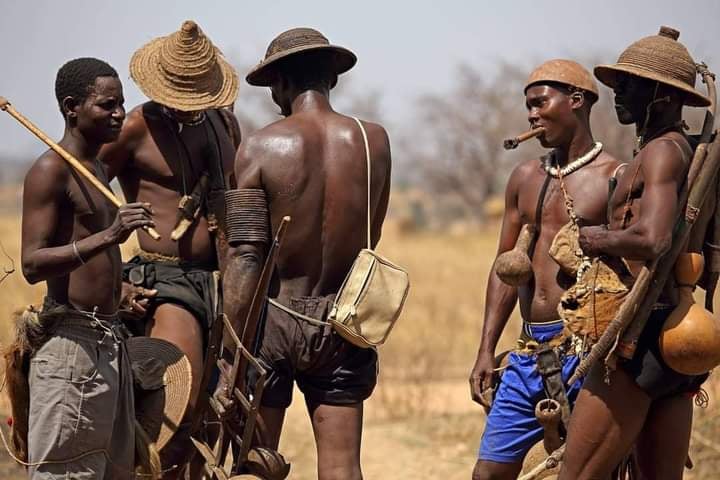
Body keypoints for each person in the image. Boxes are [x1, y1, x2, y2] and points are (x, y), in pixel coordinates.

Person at [221, 27, 391, 480]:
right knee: (341, 468)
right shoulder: (374, 142)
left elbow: (245, 255)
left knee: (254, 465)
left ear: (280, 83)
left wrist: (230, 350)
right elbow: (371, 231)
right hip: (344, 321)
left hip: (271, 321)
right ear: (331, 79)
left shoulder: (258, 146)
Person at [559, 27, 712, 480]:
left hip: (640, 336)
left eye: (629, 85)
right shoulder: (678, 148)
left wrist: (594, 238)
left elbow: (653, 240)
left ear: (662, 95)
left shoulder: (663, 153)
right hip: (675, 339)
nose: (616, 93)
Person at [98, 20, 240, 475]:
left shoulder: (224, 124)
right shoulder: (135, 127)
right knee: (173, 406)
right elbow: (85, 199)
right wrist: (110, 280)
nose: (184, 108)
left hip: (223, 280)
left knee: (214, 415)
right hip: (164, 281)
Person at [468, 59, 621, 479]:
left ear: (577, 101)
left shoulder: (614, 177)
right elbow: (505, 270)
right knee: (487, 474)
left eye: (540, 103)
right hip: (528, 353)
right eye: (528, 107)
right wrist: (485, 348)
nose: (532, 115)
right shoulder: (524, 178)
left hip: (587, 353)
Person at [20, 57, 154, 479]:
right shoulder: (50, 170)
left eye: (121, 104)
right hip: (71, 349)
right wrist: (109, 236)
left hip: (107, 341)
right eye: (106, 105)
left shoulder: (95, 168)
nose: (119, 114)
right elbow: (31, 264)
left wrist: (122, 292)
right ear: (71, 107)